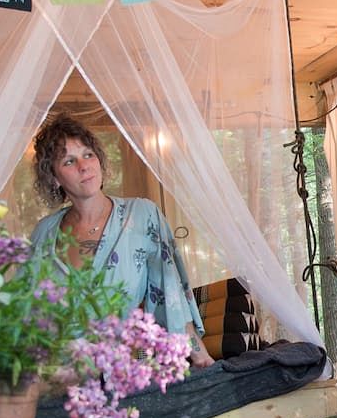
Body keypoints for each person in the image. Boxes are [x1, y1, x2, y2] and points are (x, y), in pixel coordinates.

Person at [29, 113, 216, 369]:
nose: (84, 166)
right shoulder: (43, 233)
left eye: (88, 154)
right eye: (69, 161)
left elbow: (172, 298)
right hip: (61, 378)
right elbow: (32, 316)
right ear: (53, 177)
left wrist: (202, 358)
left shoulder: (142, 215)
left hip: (124, 374)